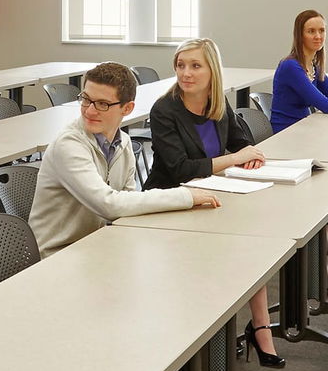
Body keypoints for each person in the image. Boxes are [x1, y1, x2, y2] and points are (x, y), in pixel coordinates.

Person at [147, 38, 283, 367]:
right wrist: (235, 158)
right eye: (181, 65)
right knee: (216, 265)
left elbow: (241, 141)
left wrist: (246, 157)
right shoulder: (164, 110)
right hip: (170, 204)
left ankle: (261, 328)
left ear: (212, 71)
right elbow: (180, 169)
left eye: (195, 66)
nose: (186, 73)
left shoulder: (216, 102)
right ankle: (202, 352)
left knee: (254, 244)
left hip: (210, 195)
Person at [28, 61, 220, 259]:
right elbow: (109, 205)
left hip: (97, 246)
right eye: (86, 99)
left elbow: (127, 205)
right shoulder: (68, 145)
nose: (89, 111)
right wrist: (184, 196)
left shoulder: (124, 143)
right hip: (57, 255)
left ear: (127, 108)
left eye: (102, 104)